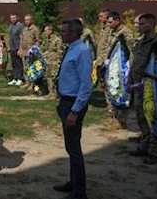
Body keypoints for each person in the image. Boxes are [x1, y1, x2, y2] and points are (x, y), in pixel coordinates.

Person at [53, 18, 92, 199]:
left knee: (74, 148)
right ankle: (73, 182)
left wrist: (75, 111)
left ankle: (79, 191)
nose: (60, 34)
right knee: (70, 146)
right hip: (66, 101)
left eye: (63, 32)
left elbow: (86, 84)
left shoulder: (82, 52)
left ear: (73, 33)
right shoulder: (72, 49)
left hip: (73, 103)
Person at [128, 14, 157, 165]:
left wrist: (153, 78)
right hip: (138, 85)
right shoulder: (141, 42)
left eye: (142, 24)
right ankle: (145, 144)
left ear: (152, 24)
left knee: (154, 119)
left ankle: (155, 152)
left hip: (152, 88)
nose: (138, 26)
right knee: (141, 116)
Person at [105, 11, 136, 129]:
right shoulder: (111, 31)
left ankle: (123, 120)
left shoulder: (126, 33)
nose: (108, 24)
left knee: (122, 92)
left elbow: (130, 51)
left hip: (122, 68)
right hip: (112, 66)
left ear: (118, 20)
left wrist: (129, 68)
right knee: (112, 89)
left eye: (111, 22)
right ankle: (115, 117)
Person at [96, 8, 112, 114]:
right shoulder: (103, 28)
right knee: (104, 84)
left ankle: (112, 107)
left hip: (107, 61)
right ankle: (109, 106)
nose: (99, 18)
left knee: (109, 84)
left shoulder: (110, 29)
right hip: (101, 60)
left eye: (101, 16)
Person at [19, 14, 41, 90]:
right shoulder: (24, 29)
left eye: (28, 20)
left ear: (32, 20)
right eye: (25, 20)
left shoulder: (35, 29)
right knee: (25, 68)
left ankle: (33, 83)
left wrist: (34, 49)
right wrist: (20, 49)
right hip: (24, 52)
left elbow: (38, 40)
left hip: (31, 52)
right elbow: (22, 40)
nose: (26, 21)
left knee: (32, 68)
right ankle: (27, 82)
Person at [42, 24, 64, 98]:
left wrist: (57, 62)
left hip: (54, 62)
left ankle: (55, 93)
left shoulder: (57, 40)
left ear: (51, 31)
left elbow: (60, 52)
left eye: (46, 31)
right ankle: (51, 92)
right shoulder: (48, 40)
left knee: (54, 78)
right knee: (48, 77)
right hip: (49, 61)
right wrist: (44, 54)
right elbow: (50, 50)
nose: (45, 32)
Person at [8, 14, 24, 86]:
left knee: (19, 64)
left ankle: (20, 78)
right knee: (13, 64)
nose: (13, 19)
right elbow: (10, 37)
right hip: (12, 48)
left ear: (17, 18)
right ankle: (15, 78)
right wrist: (9, 46)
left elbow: (21, 38)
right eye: (11, 18)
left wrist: (20, 49)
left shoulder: (20, 26)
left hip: (18, 47)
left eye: (14, 18)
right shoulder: (10, 26)